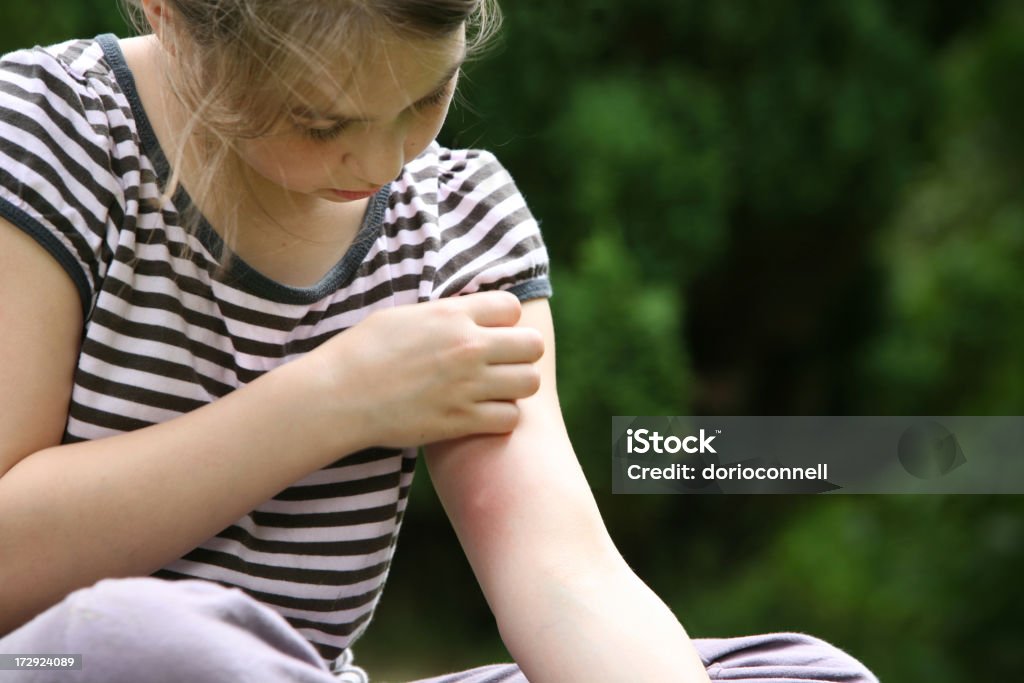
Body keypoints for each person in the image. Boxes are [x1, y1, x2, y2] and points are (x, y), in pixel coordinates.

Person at [0, 1, 879, 681]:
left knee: (805, 672)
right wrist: (332, 400)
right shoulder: (49, 132)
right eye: (320, 123)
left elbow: (562, 570)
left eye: (426, 96)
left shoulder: (461, 225)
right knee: (149, 640)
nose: (385, 162)